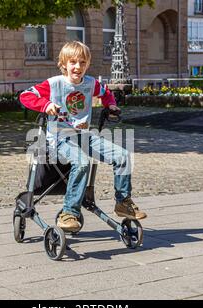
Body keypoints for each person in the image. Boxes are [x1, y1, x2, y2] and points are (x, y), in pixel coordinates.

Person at [19, 41, 147, 233]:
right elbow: (25, 96)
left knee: (122, 156)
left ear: (87, 64)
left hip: (84, 136)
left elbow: (106, 94)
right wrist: (46, 106)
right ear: (64, 63)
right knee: (81, 162)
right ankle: (69, 212)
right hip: (59, 138)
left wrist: (110, 105)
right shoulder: (54, 84)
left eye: (82, 62)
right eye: (72, 62)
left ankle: (123, 202)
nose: (77, 67)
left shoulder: (90, 83)